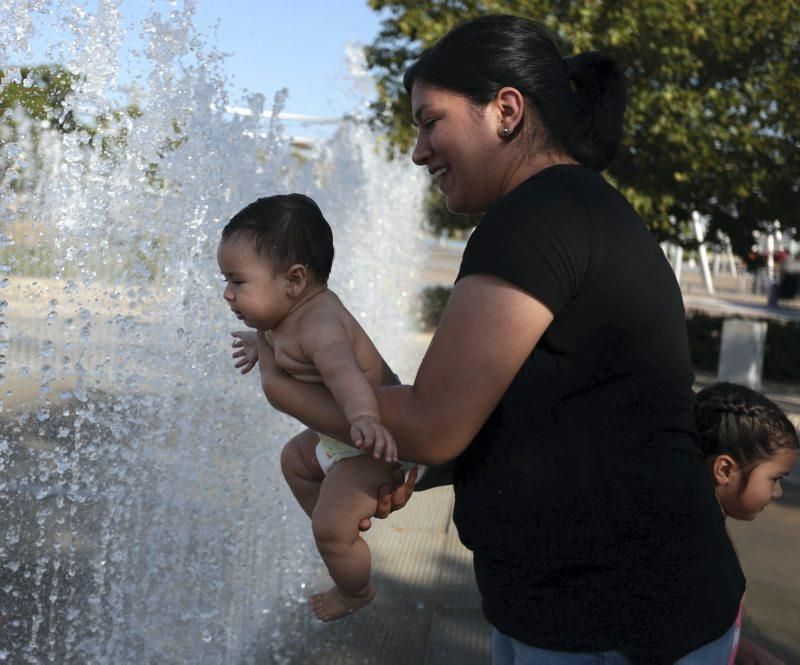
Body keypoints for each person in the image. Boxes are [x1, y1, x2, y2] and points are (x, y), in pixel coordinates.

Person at [257, 15, 746, 663]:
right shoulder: (571, 207)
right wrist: (410, 461)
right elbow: (544, 413)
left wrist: (282, 388)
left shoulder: (538, 216)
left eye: (431, 122)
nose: (418, 151)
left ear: (506, 110)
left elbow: (432, 420)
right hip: (581, 609)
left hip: (615, 620)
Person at [218, 193, 417, 622]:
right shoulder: (284, 317)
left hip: (371, 442)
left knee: (328, 526)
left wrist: (365, 418)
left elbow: (345, 375)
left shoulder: (320, 324)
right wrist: (259, 343)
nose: (227, 295)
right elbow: (281, 343)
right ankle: (337, 532)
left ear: (294, 280)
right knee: (294, 460)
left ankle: (355, 588)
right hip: (339, 436)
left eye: (237, 281)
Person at [696, 382, 799, 665]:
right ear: (725, 470)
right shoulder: (694, 551)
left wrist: (748, 653)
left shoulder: (710, 532)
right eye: (775, 478)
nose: (777, 492)